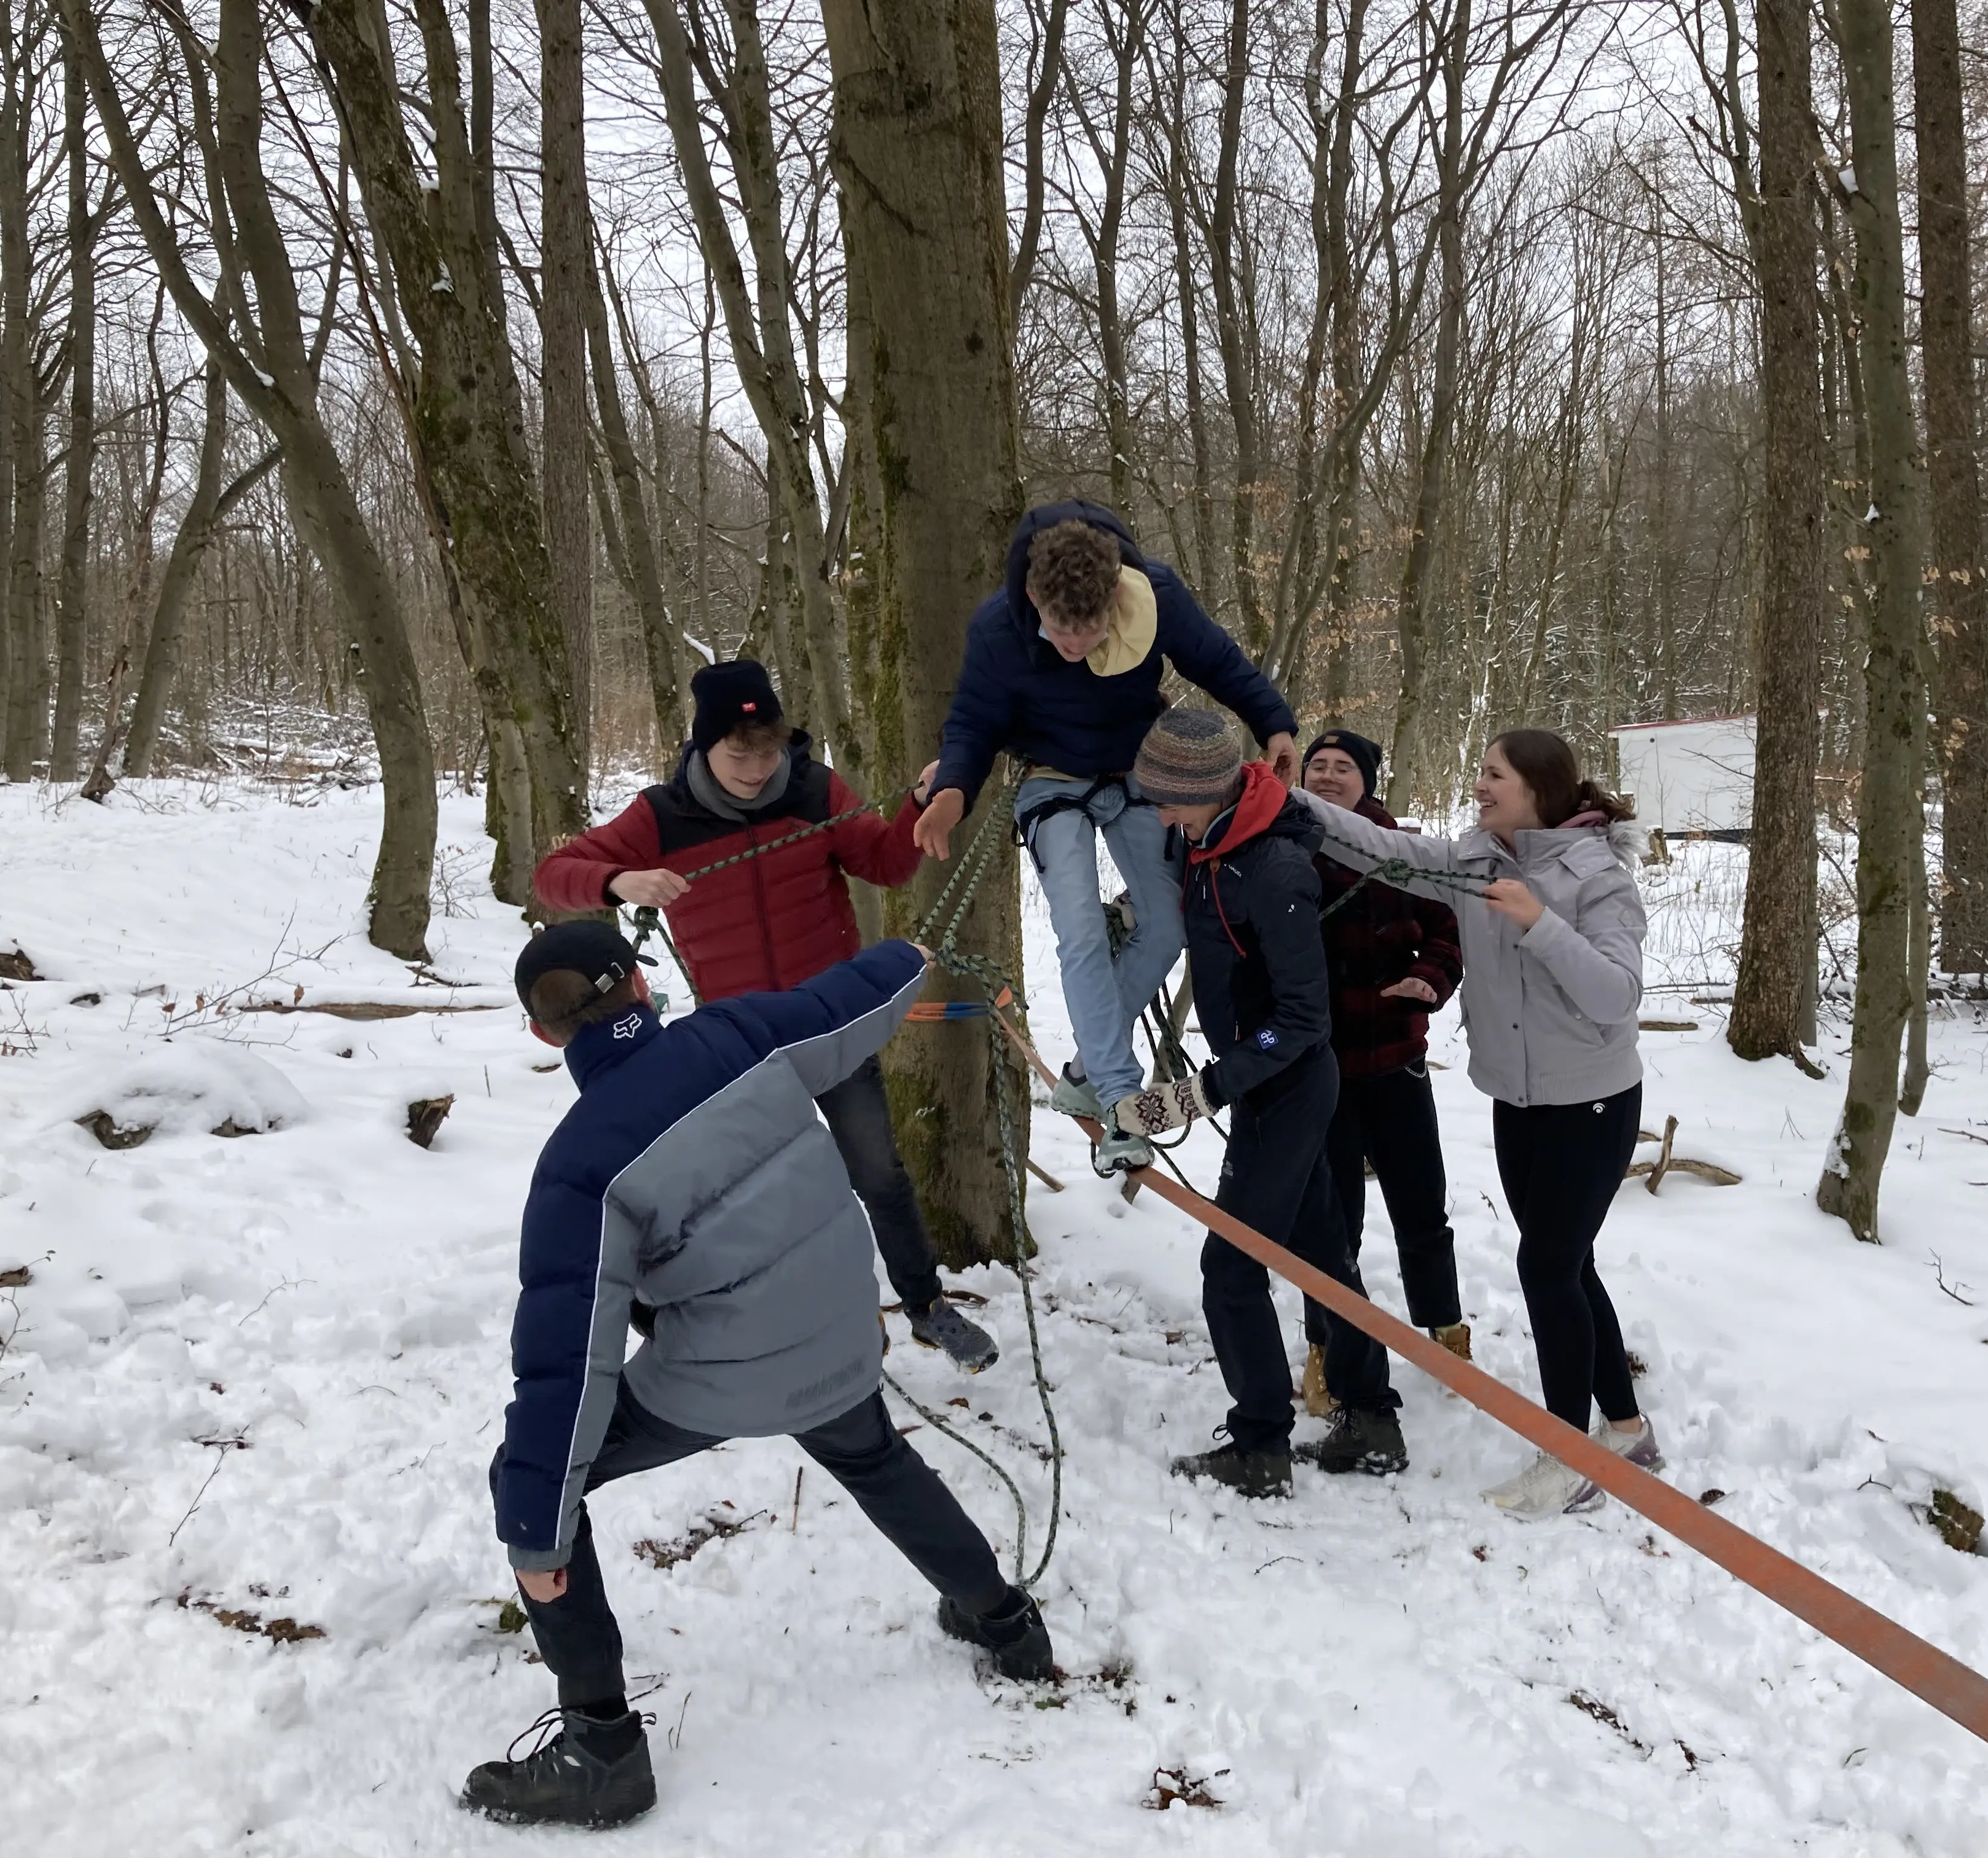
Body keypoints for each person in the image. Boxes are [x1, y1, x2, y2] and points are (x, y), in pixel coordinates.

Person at [466, 924, 1052, 1829]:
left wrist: (537, 1535)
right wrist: (910, 950)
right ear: (644, 988)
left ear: (546, 1037)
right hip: (840, 1330)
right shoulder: (742, 1033)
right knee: (871, 1457)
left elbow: (565, 1366)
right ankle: (1005, 1623)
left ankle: (601, 1749)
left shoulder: (581, 1166)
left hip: (726, 1375)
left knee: (533, 1482)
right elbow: (858, 995)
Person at [536, 660, 998, 1373]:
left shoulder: (816, 792)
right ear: (703, 747)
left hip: (829, 1023)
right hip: (738, 1044)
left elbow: (885, 863)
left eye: (768, 750)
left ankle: (927, 1305)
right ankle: (784, 1325)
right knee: (749, 1196)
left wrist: (916, 804)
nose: (755, 768)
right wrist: (618, 879)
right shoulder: (660, 818)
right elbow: (554, 876)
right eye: (737, 753)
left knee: (876, 1172)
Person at [1291, 729, 1659, 1519]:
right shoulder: (1474, 858)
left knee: (1548, 1270)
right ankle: (1626, 1426)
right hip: (1517, 1102)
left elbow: (1616, 999)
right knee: (1571, 1265)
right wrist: (1277, 795)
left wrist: (1541, 923)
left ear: (1537, 790)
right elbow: (1373, 845)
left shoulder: (1597, 878)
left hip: (1590, 1103)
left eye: (1495, 775)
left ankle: (1571, 1455)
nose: (1480, 785)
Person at [915, 503, 1299, 1175]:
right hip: (1050, 778)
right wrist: (954, 790)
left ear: (1117, 596)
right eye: (1065, 632)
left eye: (1093, 631)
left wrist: (1274, 723)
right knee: (1080, 930)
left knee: (1170, 921)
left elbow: (1216, 660)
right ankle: (1121, 1099)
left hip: (1135, 769)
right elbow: (973, 721)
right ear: (1034, 598)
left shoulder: (1156, 597)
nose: (1079, 645)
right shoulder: (997, 630)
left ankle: (1086, 1068)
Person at [1109, 708, 1406, 1495]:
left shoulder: (1272, 870)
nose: (1157, 814)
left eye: (1166, 799)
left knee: (1231, 1268)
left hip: (1290, 1085)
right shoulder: (1204, 840)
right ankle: (1372, 1417)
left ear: (1205, 792)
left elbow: (1306, 1022)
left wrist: (1205, 1089)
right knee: (1321, 1256)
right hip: (1262, 1084)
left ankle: (1260, 1443)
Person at [1295, 729, 1468, 1424]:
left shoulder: (1403, 852)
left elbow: (1446, 935)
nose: (1331, 776)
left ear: (1368, 783)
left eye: (1344, 768)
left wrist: (1431, 978)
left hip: (1397, 1060)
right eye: (1319, 766)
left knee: (1422, 1208)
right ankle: (1324, 1344)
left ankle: (1446, 1327)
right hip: (1319, 1073)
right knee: (1333, 1225)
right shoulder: (1283, 845)